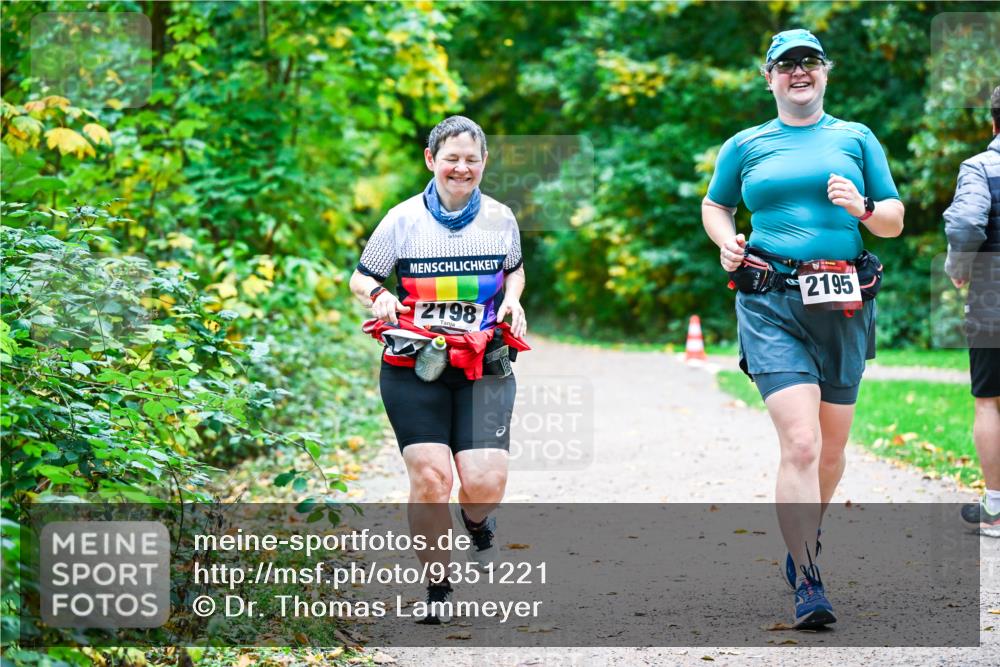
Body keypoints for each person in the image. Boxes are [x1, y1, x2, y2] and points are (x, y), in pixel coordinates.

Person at [701, 29, 904, 628]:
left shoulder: (855, 138)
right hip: (770, 301)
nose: (798, 72)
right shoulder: (746, 144)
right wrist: (726, 244)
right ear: (768, 78)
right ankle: (809, 580)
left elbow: (893, 220)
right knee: (802, 443)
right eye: (785, 65)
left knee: (832, 449)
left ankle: (805, 536)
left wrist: (863, 208)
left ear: (825, 72)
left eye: (808, 63)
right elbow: (717, 205)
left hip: (842, 302)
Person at [349, 115, 528, 624]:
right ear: (431, 160)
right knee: (431, 478)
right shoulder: (402, 219)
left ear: (484, 163)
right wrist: (381, 294)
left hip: (483, 361)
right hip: (414, 363)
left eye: (472, 159)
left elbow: (513, 269)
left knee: (485, 482)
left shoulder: (500, 218)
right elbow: (361, 279)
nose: (461, 168)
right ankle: (438, 585)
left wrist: (513, 300)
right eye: (451, 158)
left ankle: (477, 522)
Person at [945, 85, 1000, 537]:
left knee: (989, 400)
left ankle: (996, 509)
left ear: (993, 122)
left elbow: (966, 222)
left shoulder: (981, 167)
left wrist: (958, 267)